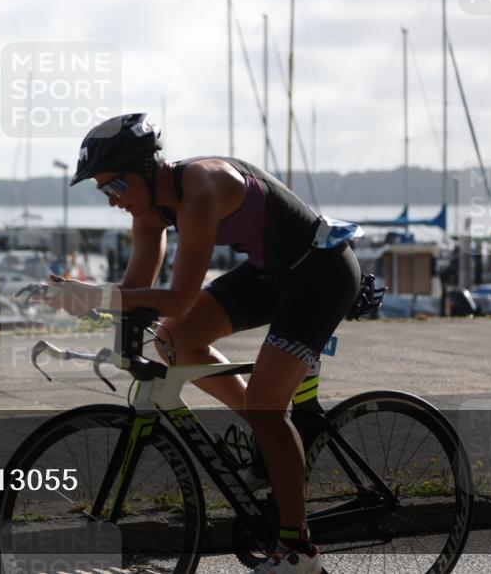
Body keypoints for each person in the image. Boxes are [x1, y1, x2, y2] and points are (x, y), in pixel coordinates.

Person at [43, 113, 361, 574]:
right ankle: (270, 437)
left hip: (322, 274)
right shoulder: (149, 211)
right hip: (273, 272)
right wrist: (90, 300)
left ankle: (298, 550)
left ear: (145, 170)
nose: (112, 201)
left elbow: (179, 295)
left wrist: (101, 295)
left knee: (269, 406)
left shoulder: (202, 188)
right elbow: (139, 295)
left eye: (114, 188)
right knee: (174, 338)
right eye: (103, 193)